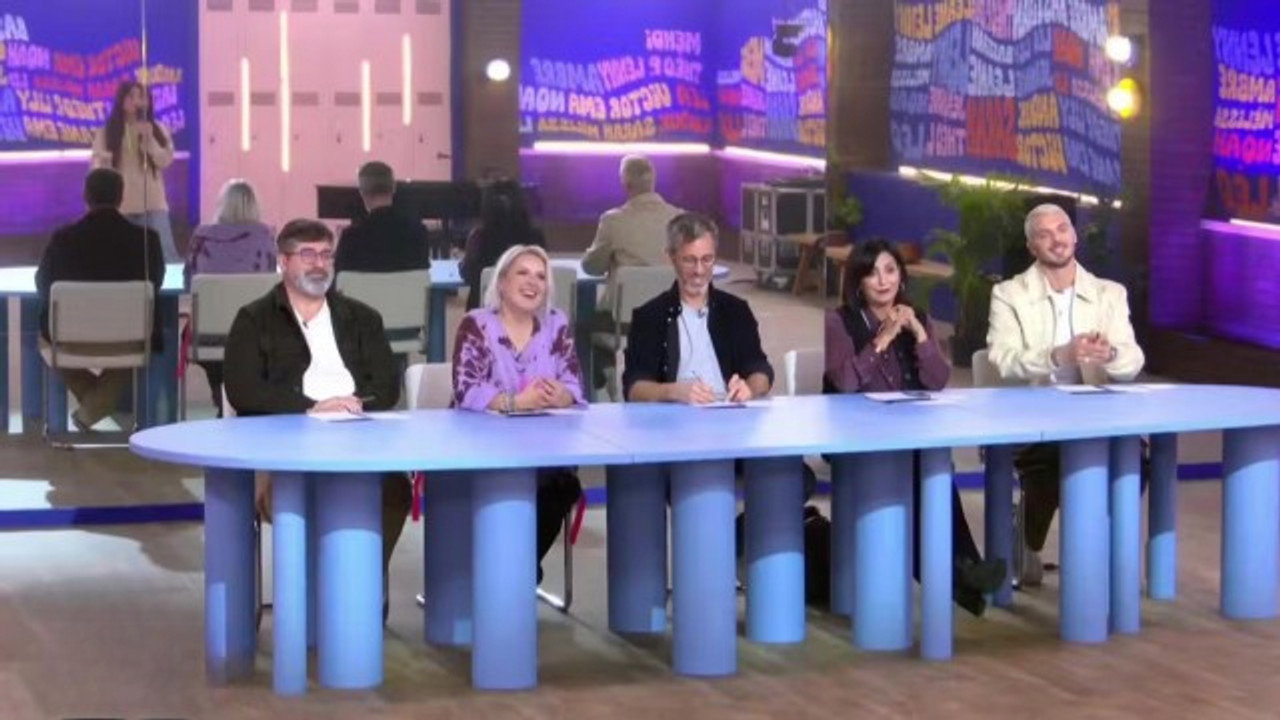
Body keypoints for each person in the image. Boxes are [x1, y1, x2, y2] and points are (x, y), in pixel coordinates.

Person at [223, 218, 411, 616]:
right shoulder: (254, 320)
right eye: (307, 255)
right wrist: (310, 408)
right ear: (283, 262)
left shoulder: (362, 318)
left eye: (326, 255)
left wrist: (354, 402)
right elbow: (244, 391)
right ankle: (331, 600)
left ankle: (357, 589)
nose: (319, 264)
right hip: (286, 451)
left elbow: (387, 387)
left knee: (395, 490)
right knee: (301, 495)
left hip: (357, 442)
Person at [825, 238, 1005, 616]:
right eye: (872, 273)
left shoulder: (917, 318)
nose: (883, 281)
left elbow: (938, 380)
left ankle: (963, 573)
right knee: (917, 474)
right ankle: (962, 578)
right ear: (858, 282)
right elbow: (846, 382)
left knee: (935, 471)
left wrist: (920, 336)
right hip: (855, 437)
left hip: (908, 434)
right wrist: (883, 338)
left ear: (901, 277)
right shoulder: (839, 322)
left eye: (890, 271)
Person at [987, 202, 1145, 585]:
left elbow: (1133, 359)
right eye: (1044, 234)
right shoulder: (1009, 294)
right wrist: (1058, 356)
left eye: (1062, 230)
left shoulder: (1109, 294)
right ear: (1032, 246)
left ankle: (1096, 548)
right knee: (1054, 459)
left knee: (1135, 456)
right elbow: (1002, 361)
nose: (1056, 240)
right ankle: (1027, 537)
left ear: (1074, 235)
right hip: (1034, 419)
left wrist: (1111, 355)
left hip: (1096, 417)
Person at [451, 244, 584, 583]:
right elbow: (467, 390)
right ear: (502, 283)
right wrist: (516, 402)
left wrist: (562, 394)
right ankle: (511, 572)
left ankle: (519, 568)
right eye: (522, 273)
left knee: (562, 485)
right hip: (484, 449)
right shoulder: (476, 324)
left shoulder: (556, 324)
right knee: (508, 484)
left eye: (540, 276)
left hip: (543, 449)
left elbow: (573, 383)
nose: (532, 282)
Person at [36, 168, 165, 432]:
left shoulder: (62, 239)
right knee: (145, 341)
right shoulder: (147, 240)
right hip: (131, 338)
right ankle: (96, 407)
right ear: (121, 197)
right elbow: (156, 283)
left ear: (86, 196)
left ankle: (91, 407)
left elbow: (43, 285)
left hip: (70, 340)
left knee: (45, 341)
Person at [623, 212, 771, 404]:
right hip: (674, 417)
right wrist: (673, 391)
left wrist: (749, 388)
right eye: (689, 260)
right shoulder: (650, 316)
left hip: (729, 413)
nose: (699, 271)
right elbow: (634, 388)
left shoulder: (736, 311)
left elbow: (760, 369)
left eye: (707, 259)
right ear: (671, 257)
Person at [583, 155, 682, 390]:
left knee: (583, 324)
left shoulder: (613, 221)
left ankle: (600, 384)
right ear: (653, 182)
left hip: (624, 323)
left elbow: (591, 267)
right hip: (671, 319)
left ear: (626, 185)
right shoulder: (680, 220)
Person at [185, 179, 277, 414]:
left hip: (208, 337)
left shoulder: (201, 238)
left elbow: (189, 283)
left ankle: (223, 404)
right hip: (255, 337)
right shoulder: (264, 237)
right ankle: (237, 408)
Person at [91, 80, 178, 262]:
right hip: (121, 205)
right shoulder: (107, 132)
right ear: (121, 99)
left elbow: (165, 161)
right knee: (122, 259)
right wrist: (104, 162)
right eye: (131, 96)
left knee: (165, 256)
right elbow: (97, 167)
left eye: (141, 97)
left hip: (153, 203)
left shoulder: (158, 129)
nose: (136, 101)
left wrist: (150, 141)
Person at [460, 179, 546, 310]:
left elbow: (467, 275)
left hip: (483, 316)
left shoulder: (479, 237)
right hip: (527, 314)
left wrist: (463, 264)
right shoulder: (536, 237)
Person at [334, 161, 430, 275]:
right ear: (394, 188)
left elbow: (339, 281)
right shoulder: (418, 233)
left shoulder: (351, 237)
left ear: (362, 192)